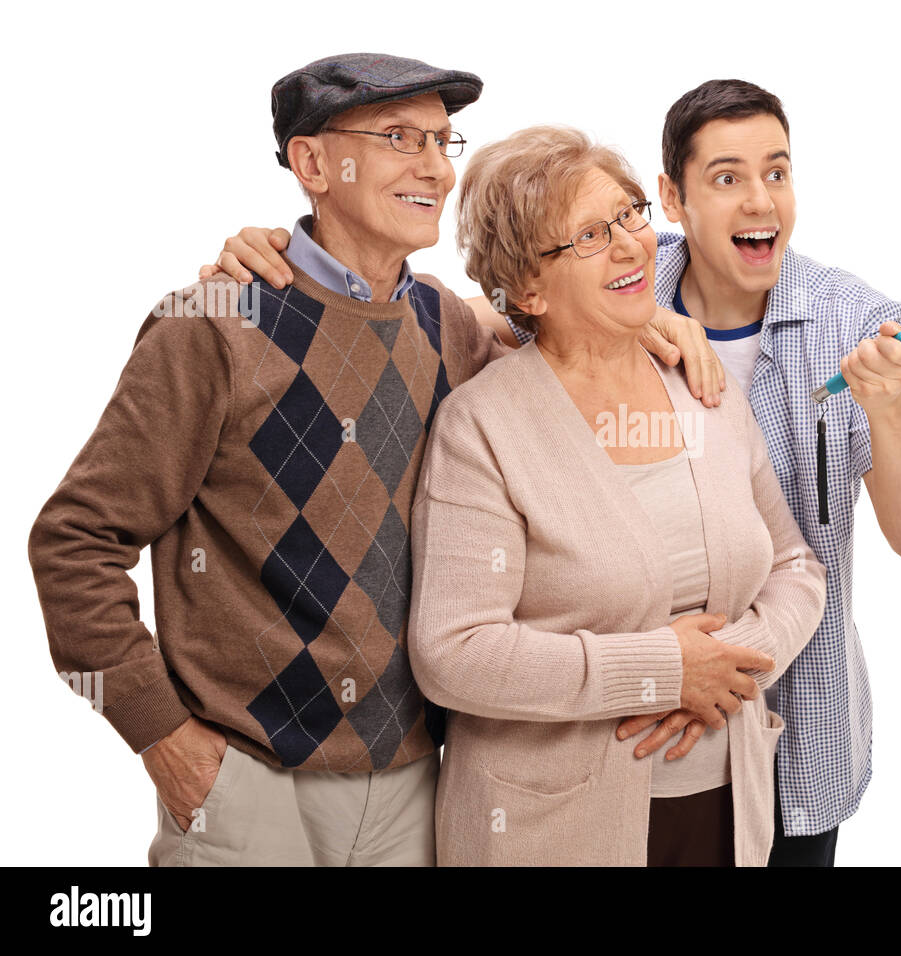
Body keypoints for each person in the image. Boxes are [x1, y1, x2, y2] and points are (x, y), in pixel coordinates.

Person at [29, 53, 718, 867]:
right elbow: (74, 542)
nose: (435, 166)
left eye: (441, 140)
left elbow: (552, 334)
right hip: (248, 783)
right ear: (312, 163)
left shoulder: (445, 327)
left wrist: (648, 325)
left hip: (413, 784)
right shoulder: (210, 325)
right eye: (399, 138)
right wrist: (163, 739)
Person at [409, 125, 828, 866]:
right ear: (529, 287)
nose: (634, 245)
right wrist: (659, 670)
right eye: (591, 236)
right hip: (554, 831)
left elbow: (796, 565)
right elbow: (455, 652)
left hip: (726, 811)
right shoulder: (483, 426)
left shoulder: (700, 382)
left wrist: (732, 662)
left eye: (631, 214)